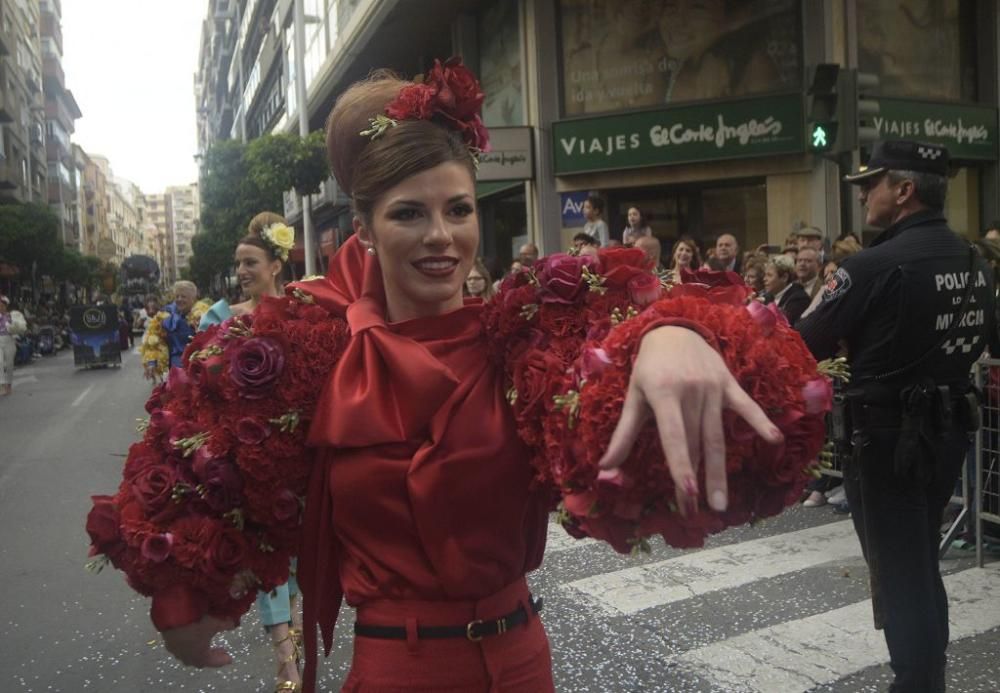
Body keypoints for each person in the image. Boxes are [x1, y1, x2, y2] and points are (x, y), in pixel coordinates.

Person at [100, 63, 794, 693]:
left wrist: (670, 333)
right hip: (398, 670)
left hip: (524, 659)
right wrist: (183, 596)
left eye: (458, 209)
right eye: (409, 212)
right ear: (364, 232)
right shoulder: (305, 353)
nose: (441, 235)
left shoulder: (526, 333)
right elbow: (194, 463)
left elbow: (632, 332)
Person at [798, 140, 997, 693]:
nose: (863, 192)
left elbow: (801, 343)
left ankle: (916, 682)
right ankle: (923, 675)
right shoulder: (973, 263)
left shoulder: (872, 265)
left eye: (872, 183)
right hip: (949, 430)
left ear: (904, 191)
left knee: (901, 571)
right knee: (919, 563)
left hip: (885, 441)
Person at [198, 211, 303, 692]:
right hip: (245, 455)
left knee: (300, 557)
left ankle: (293, 639)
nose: (240, 272)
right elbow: (198, 389)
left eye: (249, 262)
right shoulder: (216, 318)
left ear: (276, 264)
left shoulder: (303, 312)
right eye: (236, 264)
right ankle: (287, 664)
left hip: (298, 452)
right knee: (266, 553)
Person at [140, 281, 208, 381]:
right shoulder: (166, 314)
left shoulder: (203, 314)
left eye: (183, 296)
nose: (179, 299)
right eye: (177, 296)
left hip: (198, 369)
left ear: (193, 298)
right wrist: (152, 363)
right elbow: (154, 338)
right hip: (176, 371)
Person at [763, 255, 809, 325]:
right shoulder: (768, 297)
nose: (764, 279)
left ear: (784, 277)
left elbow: (785, 325)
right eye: (765, 275)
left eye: (769, 275)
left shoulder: (799, 299)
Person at [0, 296, 28, 396]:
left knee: (9, 364)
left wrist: (11, 323)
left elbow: (20, 327)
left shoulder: (12, 315)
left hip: (9, 340)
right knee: (0, 362)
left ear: (6, 306)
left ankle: (8, 385)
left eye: (2, 305)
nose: (0, 307)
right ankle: (2, 385)